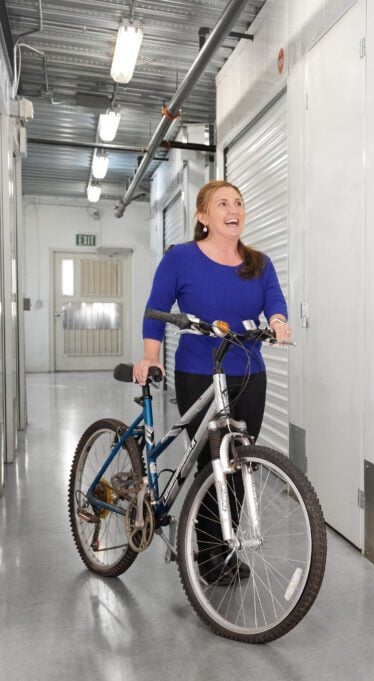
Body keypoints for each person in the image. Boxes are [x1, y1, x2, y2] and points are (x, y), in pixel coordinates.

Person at [133, 179, 291, 585]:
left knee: (238, 462)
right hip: (198, 370)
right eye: (222, 203)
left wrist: (277, 321)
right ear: (203, 216)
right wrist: (150, 356)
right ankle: (208, 554)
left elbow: (274, 300)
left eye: (238, 202)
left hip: (249, 371)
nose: (233, 209)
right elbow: (156, 310)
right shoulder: (180, 259)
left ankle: (221, 546)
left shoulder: (258, 263)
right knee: (210, 463)